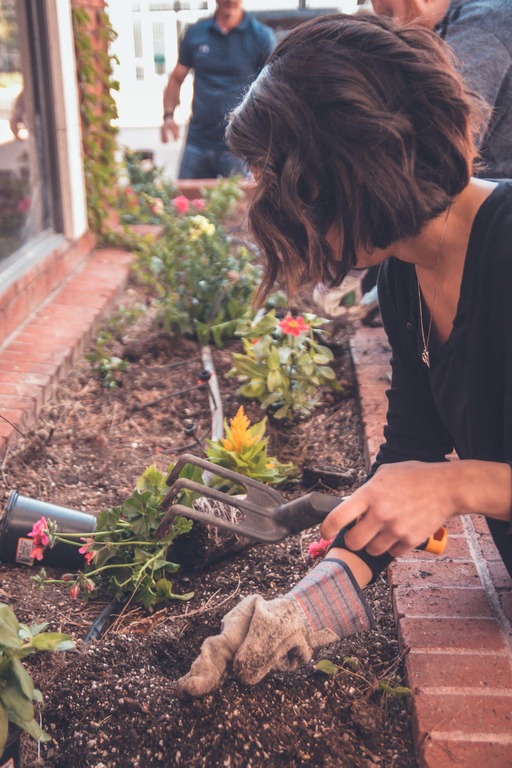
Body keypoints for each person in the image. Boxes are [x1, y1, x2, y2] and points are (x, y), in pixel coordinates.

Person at [174, 13, 512, 698]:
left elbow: (436, 480)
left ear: (360, 167)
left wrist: (456, 486)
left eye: (295, 189)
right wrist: (298, 609)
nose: (288, 216)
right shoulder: (403, 277)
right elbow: (407, 459)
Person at [356, 0, 512, 312]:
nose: (384, 19)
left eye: (388, 10)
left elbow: (430, 156)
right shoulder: (450, 25)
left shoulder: (483, 25)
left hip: (487, 247)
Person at [160, 0, 276, 179]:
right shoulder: (196, 33)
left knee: (241, 205)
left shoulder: (261, 36)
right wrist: (168, 115)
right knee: (185, 201)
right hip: (198, 142)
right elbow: (176, 78)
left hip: (239, 147)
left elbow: (273, 87)